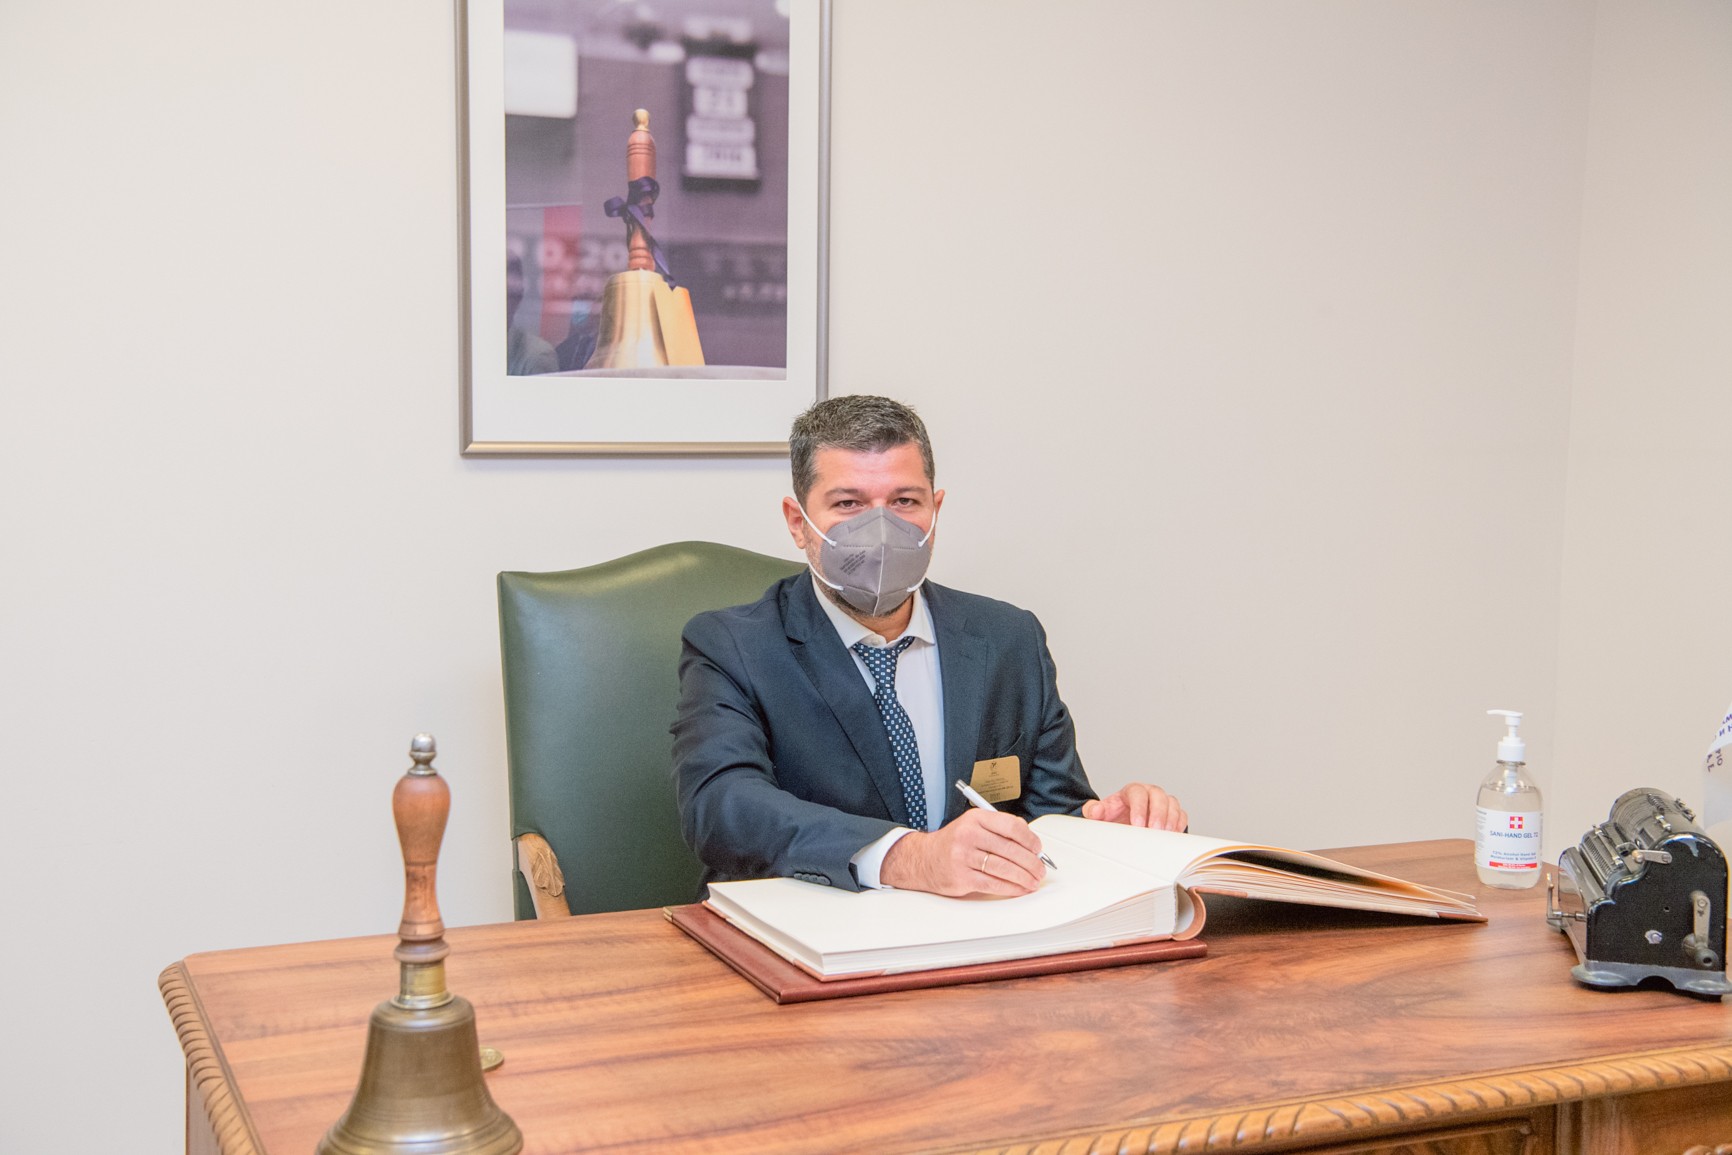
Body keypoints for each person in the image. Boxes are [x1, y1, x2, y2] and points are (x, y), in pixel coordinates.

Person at [671, 395, 1185, 898]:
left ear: (935, 512)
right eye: (848, 504)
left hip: (977, 932)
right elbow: (722, 808)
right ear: (797, 522)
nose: (881, 529)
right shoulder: (734, 645)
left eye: (904, 502)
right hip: (806, 929)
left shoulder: (1009, 638)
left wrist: (1106, 829)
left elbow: (1049, 817)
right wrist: (910, 857)